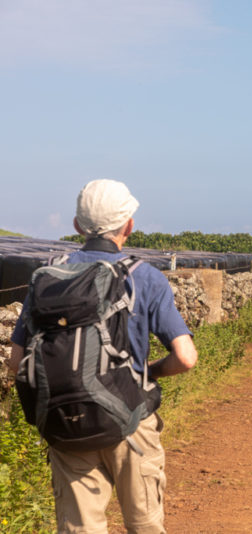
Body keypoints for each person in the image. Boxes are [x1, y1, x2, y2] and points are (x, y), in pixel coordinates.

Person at [8, 179, 198, 534]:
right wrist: (150, 373)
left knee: (80, 527)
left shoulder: (46, 279)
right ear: (129, 225)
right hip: (131, 420)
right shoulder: (147, 278)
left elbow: (15, 361)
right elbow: (186, 357)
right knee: (144, 525)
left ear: (78, 226)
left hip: (66, 422)